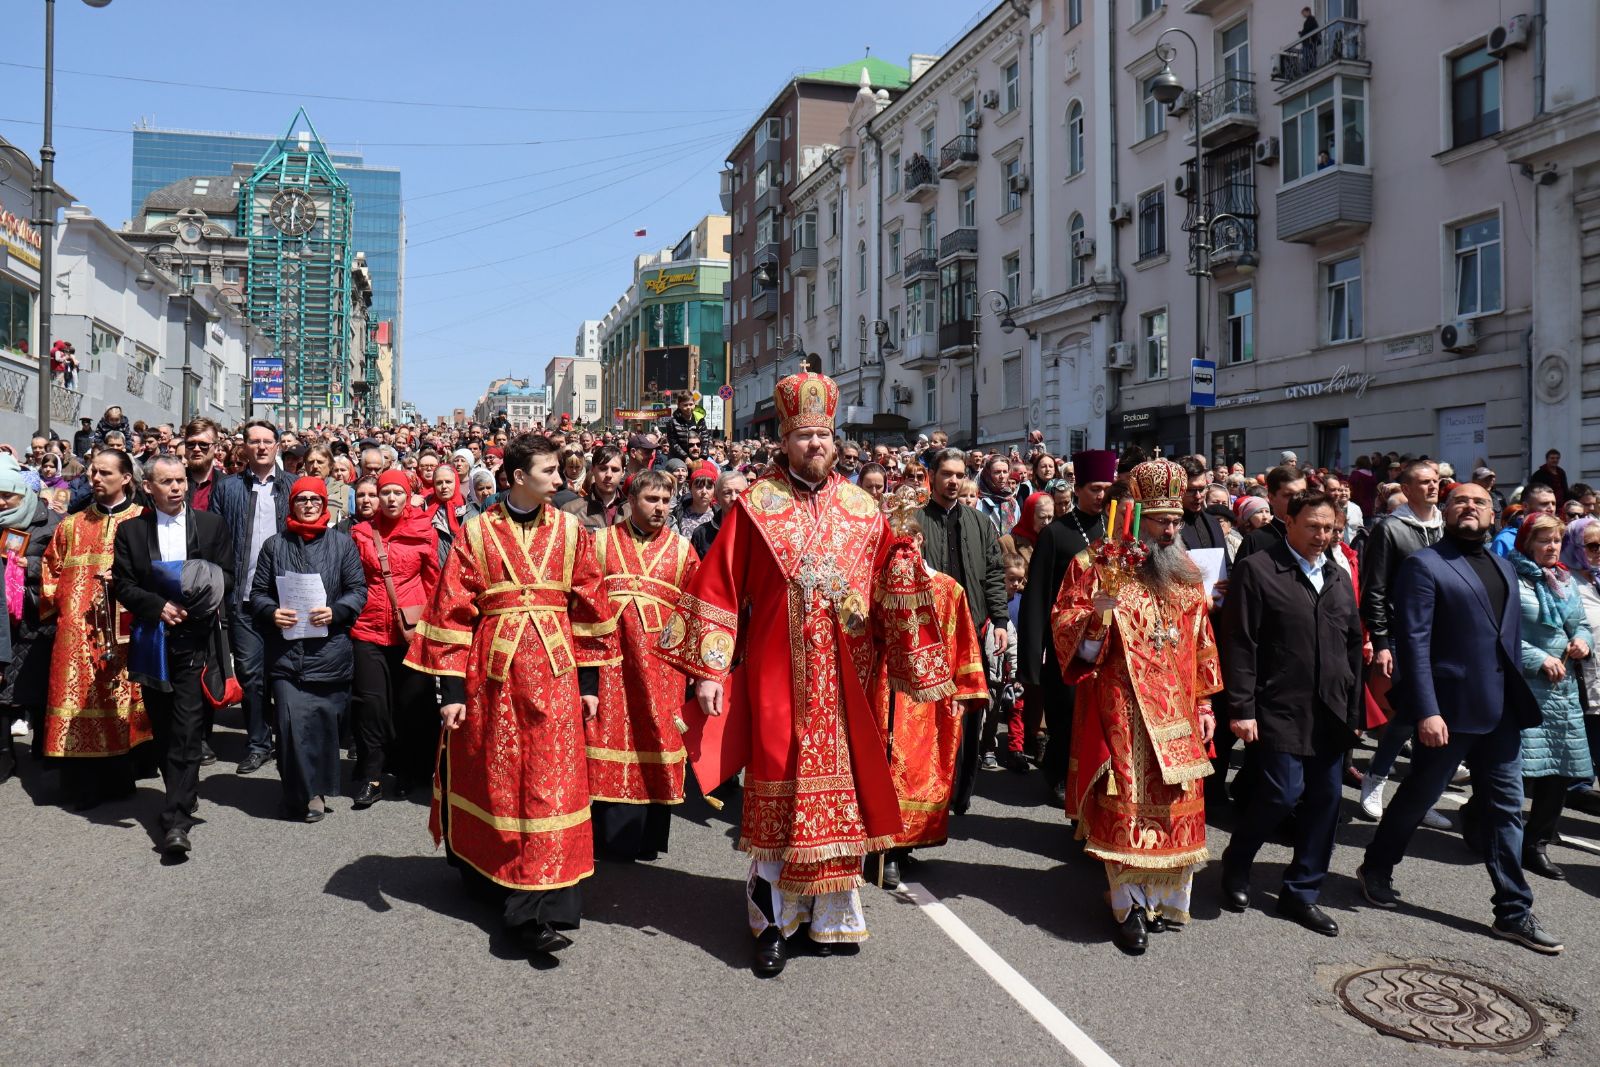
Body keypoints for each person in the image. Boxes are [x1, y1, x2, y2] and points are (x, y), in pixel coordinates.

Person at [656, 372, 945, 977]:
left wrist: (904, 564)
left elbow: (892, 580)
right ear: (784, 441)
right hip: (777, 677)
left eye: (824, 434)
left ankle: (829, 917)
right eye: (804, 435)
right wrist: (709, 670)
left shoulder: (865, 509)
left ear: (836, 440)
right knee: (777, 795)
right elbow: (717, 587)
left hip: (849, 681)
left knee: (840, 794)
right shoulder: (755, 507)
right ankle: (772, 922)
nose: (816, 444)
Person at [406, 434, 615, 961]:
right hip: (492, 677)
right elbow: (452, 611)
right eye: (548, 470)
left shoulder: (571, 531)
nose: (559, 479)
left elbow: (591, 607)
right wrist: (449, 690)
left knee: (551, 784)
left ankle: (540, 908)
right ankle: (499, 882)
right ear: (518, 475)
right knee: (499, 780)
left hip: (557, 676)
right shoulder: (475, 532)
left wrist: (590, 686)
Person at [1357, 482, 1561, 954]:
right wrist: (1426, 709)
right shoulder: (1424, 565)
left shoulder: (1504, 568)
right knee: (1415, 799)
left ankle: (1512, 910)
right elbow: (1415, 643)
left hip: (1500, 714)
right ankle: (1376, 868)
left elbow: (1504, 643)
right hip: (1447, 714)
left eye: (1479, 502)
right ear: (1446, 511)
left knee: (1507, 811)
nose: (1470, 507)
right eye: (1460, 501)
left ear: (1494, 515)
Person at [1051, 458, 1221, 954]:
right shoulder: (1097, 566)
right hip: (1122, 708)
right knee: (1127, 805)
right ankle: (1128, 907)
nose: (1171, 530)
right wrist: (1095, 621)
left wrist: (1207, 704)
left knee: (1175, 810)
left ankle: (1164, 898)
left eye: (1176, 521)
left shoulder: (1187, 573)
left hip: (1180, 712)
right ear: (1135, 516)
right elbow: (1067, 629)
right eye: (1160, 521)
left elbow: (1202, 641)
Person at [1219, 491, 1363, 937]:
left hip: (1331, 711)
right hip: (1279, 705)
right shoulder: (1259, 570)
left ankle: (1302, 892)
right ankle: (1237, 861)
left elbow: (1353, 646)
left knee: (1325, 803)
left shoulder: (1337, 577)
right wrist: (1242, 707)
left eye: (1330, 529)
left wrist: (1354, 709)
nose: (1322, 536)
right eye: (1313, 526)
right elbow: (1240, 643)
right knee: (1281, 794)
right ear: (1289, 522)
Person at [112, 456, 233, 858]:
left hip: (196, 641)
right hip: (153, 641)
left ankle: (176, 820)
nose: (177, 487)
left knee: (187, 727)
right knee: (163, 727)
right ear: (149, 487)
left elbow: (227, 575)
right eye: (167, 482)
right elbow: (124, 585)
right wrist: (157, 605)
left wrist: (199, 600)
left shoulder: (212, 526)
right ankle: (181, 788)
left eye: (181, 480)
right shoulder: (131, 531)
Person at [869, 486, 989, 887]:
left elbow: (965, 645)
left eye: (910, 538)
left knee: (917, 768)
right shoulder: (873, 584)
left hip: (927, 699)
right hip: (881, 690)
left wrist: (965, 691)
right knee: (879, 763)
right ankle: (878, 847)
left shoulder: (947, 589)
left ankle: (903, 846)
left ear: (920, 540)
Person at [582, 470, 698, 861]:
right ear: (631, 500)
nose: (660, 508)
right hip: (611, 663)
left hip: (661, 671)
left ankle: (648, 838)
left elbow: (695, 610)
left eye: (666, 501)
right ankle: (603, 836)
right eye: (652, 499)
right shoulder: (600, 542)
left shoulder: (683, 550)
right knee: (604, 738)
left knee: (655, 737)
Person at [38, 448, 151, 810]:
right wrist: (63, 610)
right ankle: (79, 788)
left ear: (126, 479)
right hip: (74, 637)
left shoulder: (142, 522)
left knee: (118, 701)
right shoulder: (71, 525)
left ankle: (118, 780)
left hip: (122, 632)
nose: (95, 479)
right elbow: (50, 572)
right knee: (75, 702)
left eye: (104, 473)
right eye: (92, 473)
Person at [249, 477, 367, 822]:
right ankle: (301, 793)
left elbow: (357, 589)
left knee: (321, 727)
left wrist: (337, 611)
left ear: (324, 504)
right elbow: (257, 594)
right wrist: (272, 612)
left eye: (316, 499)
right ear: (292, 504)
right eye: (303, 499)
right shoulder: (274, 545)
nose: (310, 504)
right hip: (287, 655)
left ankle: (315, 790)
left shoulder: (342, 545)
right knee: (288, 723)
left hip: (330, 651)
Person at [1017, 449, 1116, 805]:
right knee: (1066, 713)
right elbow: (1038, 595)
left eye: (1106, 488)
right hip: (1066, 643)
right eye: (1094, 489)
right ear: (1078, 489)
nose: (1101, 495)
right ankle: (1058, 773)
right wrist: (1031, 656)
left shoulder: (1116, 531)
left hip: (1106, 639)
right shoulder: (1056, 534)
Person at [916, 449, 1009, 810]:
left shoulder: (979, 522)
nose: (953, 481)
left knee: (971, 711)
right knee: (929, 715)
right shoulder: (916, 521)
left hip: (972, 630)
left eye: (959, 475)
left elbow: (994, 574)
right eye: (947, 475)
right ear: (933, 477)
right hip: (929, 633)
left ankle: (961, 793)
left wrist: (1000, 621)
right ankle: (929, 790)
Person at [1359, 460, 1449, 824]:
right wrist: (1381, 640)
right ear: (1407, 488)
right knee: (1409, 713)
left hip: (1443, 636)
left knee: (1440, 716)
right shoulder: (1391, 529)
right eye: (1425, 482)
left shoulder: (1447, 525)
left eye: (1437, 481)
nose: (1433, 487)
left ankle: (1419, 797)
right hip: (1402, 635)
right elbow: (1375, 589)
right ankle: (1376, 777)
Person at [1506, 514, 1592, 879]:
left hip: (1563, 690)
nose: (1552, 547)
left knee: (1559, 768)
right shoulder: (1510, 577)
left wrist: (1582, 642)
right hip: (1525, 685)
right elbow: (1501, 632)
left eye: (1556, 540)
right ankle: (1480, 816)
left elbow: (1582, 624)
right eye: (1544, 540)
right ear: (1527, 543)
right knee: (1515, 770)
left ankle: (1536, 843)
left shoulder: (1564, 579)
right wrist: (1538, 658)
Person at [348, 470, 440, 807]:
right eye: (383, 492)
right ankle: (372, 775)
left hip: (411, 630)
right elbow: (352, 579)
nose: (389, 499)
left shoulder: (423, 532)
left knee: (411, 705)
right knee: (371, 706)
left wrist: (435, 628)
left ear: (407, 496)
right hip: (368, 628)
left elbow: (434, 582)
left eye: (396, 493)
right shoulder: (360, 533)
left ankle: (409, 769)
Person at [207, 419, 291, 775]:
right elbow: (213, 539)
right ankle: (258, 742)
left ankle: (289, 741)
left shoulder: (293, 487)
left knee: (286, 674)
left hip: (286, 599)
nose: (260, 447)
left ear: (276, 446)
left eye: (267, 441)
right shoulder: (227, 489)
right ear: (243, 447)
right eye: (253, 441)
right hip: (242, 598)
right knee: (252, 674)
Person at [0, 454, 64, 741]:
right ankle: (4, 754)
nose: (1, 502)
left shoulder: (51, 523)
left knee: (38, 688)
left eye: (7, 496)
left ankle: (43, 749)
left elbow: (64, 565)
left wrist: (34, 566)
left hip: (35, 616)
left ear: (24, 494)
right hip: (3, 620)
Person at [1235, 465, 1305, 560]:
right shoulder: (1254, 540)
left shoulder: (1317, 534)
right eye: (1289, 495)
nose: (1297, 500)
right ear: (1271, 498)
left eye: (1302, 494)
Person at [562, 445, 627, 532]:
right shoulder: (570, 511)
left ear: (623, 472)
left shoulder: (634, 511)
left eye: (615, 470)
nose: (609, 475)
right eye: (603, 469)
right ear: (593, 469)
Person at [690, 469, 747, 559]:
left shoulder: (758, 532)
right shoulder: (701, 534)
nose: (734, 498)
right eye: (727, 493)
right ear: (717, 497)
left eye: (739, 492)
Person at [181, 418, 220, 513]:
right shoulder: (172, 482)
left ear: (216, 448)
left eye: (203, 444)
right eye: (191, 444)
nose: (196, 449)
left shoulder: (227, 485)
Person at [673, 461, 718, 542]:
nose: (704, 491)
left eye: (708, 487)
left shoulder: (719, 515)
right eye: (699, 487)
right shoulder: (678, 512)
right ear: (690, 489)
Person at [974, 455, 1019, 534]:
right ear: (987, 474)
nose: (1002, 476)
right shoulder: (977, 501)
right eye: (997, 472)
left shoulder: (1011, 501)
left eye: (1005, 472)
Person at [658, 391, 706, 461]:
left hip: (698, 457)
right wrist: (685, 457)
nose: (689, 407)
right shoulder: (672, 422)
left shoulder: (700, 419)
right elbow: (673, 443)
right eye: (685, 405)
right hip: (678, 458)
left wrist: (703, 456)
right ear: (679, 405)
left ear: (694, 404)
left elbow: (705, 439)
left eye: (691, 404)